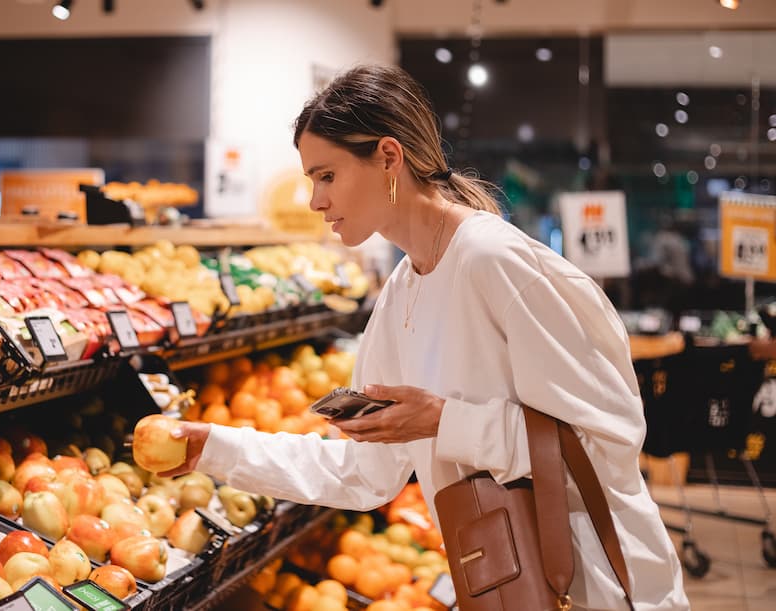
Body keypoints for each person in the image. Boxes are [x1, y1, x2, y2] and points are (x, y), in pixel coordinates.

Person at [164, 64, 689, 610]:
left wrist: (445, 420)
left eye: (326, 176)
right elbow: (367, 476)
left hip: (600, 586)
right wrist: (215, 449)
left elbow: (608, 437)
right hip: (511, 586)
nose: (314, 202)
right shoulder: (403, 290)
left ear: (388, 157)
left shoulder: (494, 260)